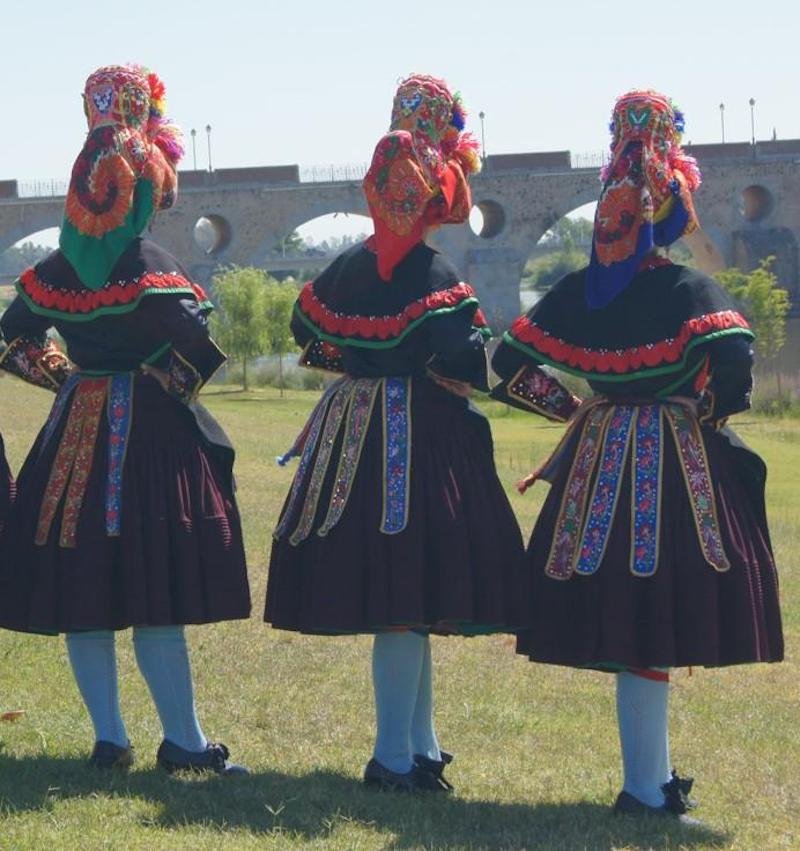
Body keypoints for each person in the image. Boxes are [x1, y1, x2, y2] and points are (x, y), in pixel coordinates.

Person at [491, 90, 783, 821]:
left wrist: (576, 408)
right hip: (674, 465)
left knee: (630, 617)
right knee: (653, 614)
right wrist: (707, 411)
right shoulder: (689, 286)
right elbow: (736, 353)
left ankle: (649, 779)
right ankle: (646, 787)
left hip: (594, 469)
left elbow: (506, 363)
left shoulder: (578, 293)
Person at [265, 74, 531, 792]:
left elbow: (306, 329)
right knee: (404, 600)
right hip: (418, 441)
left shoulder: (349, 265)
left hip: (352, 436)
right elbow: (467, 363)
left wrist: (356, 368)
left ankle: (419, 743)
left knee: (407, 605)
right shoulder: (434, 272)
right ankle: (390, 756)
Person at [0, 65, 251, 774]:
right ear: (140, 187)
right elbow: (199, 350)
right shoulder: (151, 263)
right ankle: (186, 742)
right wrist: (164, 387)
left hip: (73, 432)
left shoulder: (57, 267)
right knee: (155, 591)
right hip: (150, 440)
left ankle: (109, 738)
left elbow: (9, 338)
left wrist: (62, 379)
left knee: (86, 589)